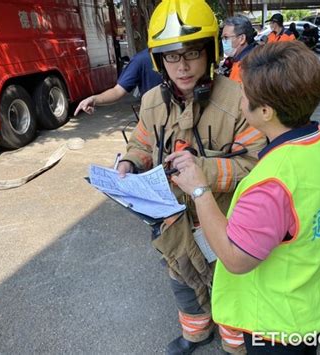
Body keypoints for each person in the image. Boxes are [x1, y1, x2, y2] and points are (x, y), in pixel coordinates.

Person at [169, 41, 320, 354]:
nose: (239, 97)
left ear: (265, 111)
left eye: (244, 93)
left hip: (276, 327)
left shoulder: (272, 182)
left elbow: (236, 259)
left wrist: (199, 189)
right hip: (310, 306)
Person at [116, 1, 266, 354]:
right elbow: (141, 142)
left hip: (222, 222)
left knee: (231, 285)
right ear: (159, 61)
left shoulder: (239, 100)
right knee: (181, 277)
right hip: (173, 221)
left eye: (192, 53)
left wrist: (204, 171)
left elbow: (257, 164)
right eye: (171, 57)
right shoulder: (153, 101)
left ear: (210, 52)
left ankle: (235, 343)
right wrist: (128, 164)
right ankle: (195, 335)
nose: (182, 67)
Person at [74, 48, 162, 115]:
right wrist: (94, 99)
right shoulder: (141, 60)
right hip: (154, 121)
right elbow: (117, 91)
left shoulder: (142, 58)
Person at [221, 15, 257, 83]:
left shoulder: (249, 67)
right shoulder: (239, 60)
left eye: (226, 37)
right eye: (222, 38)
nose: (223, 42)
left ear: (242, 39)